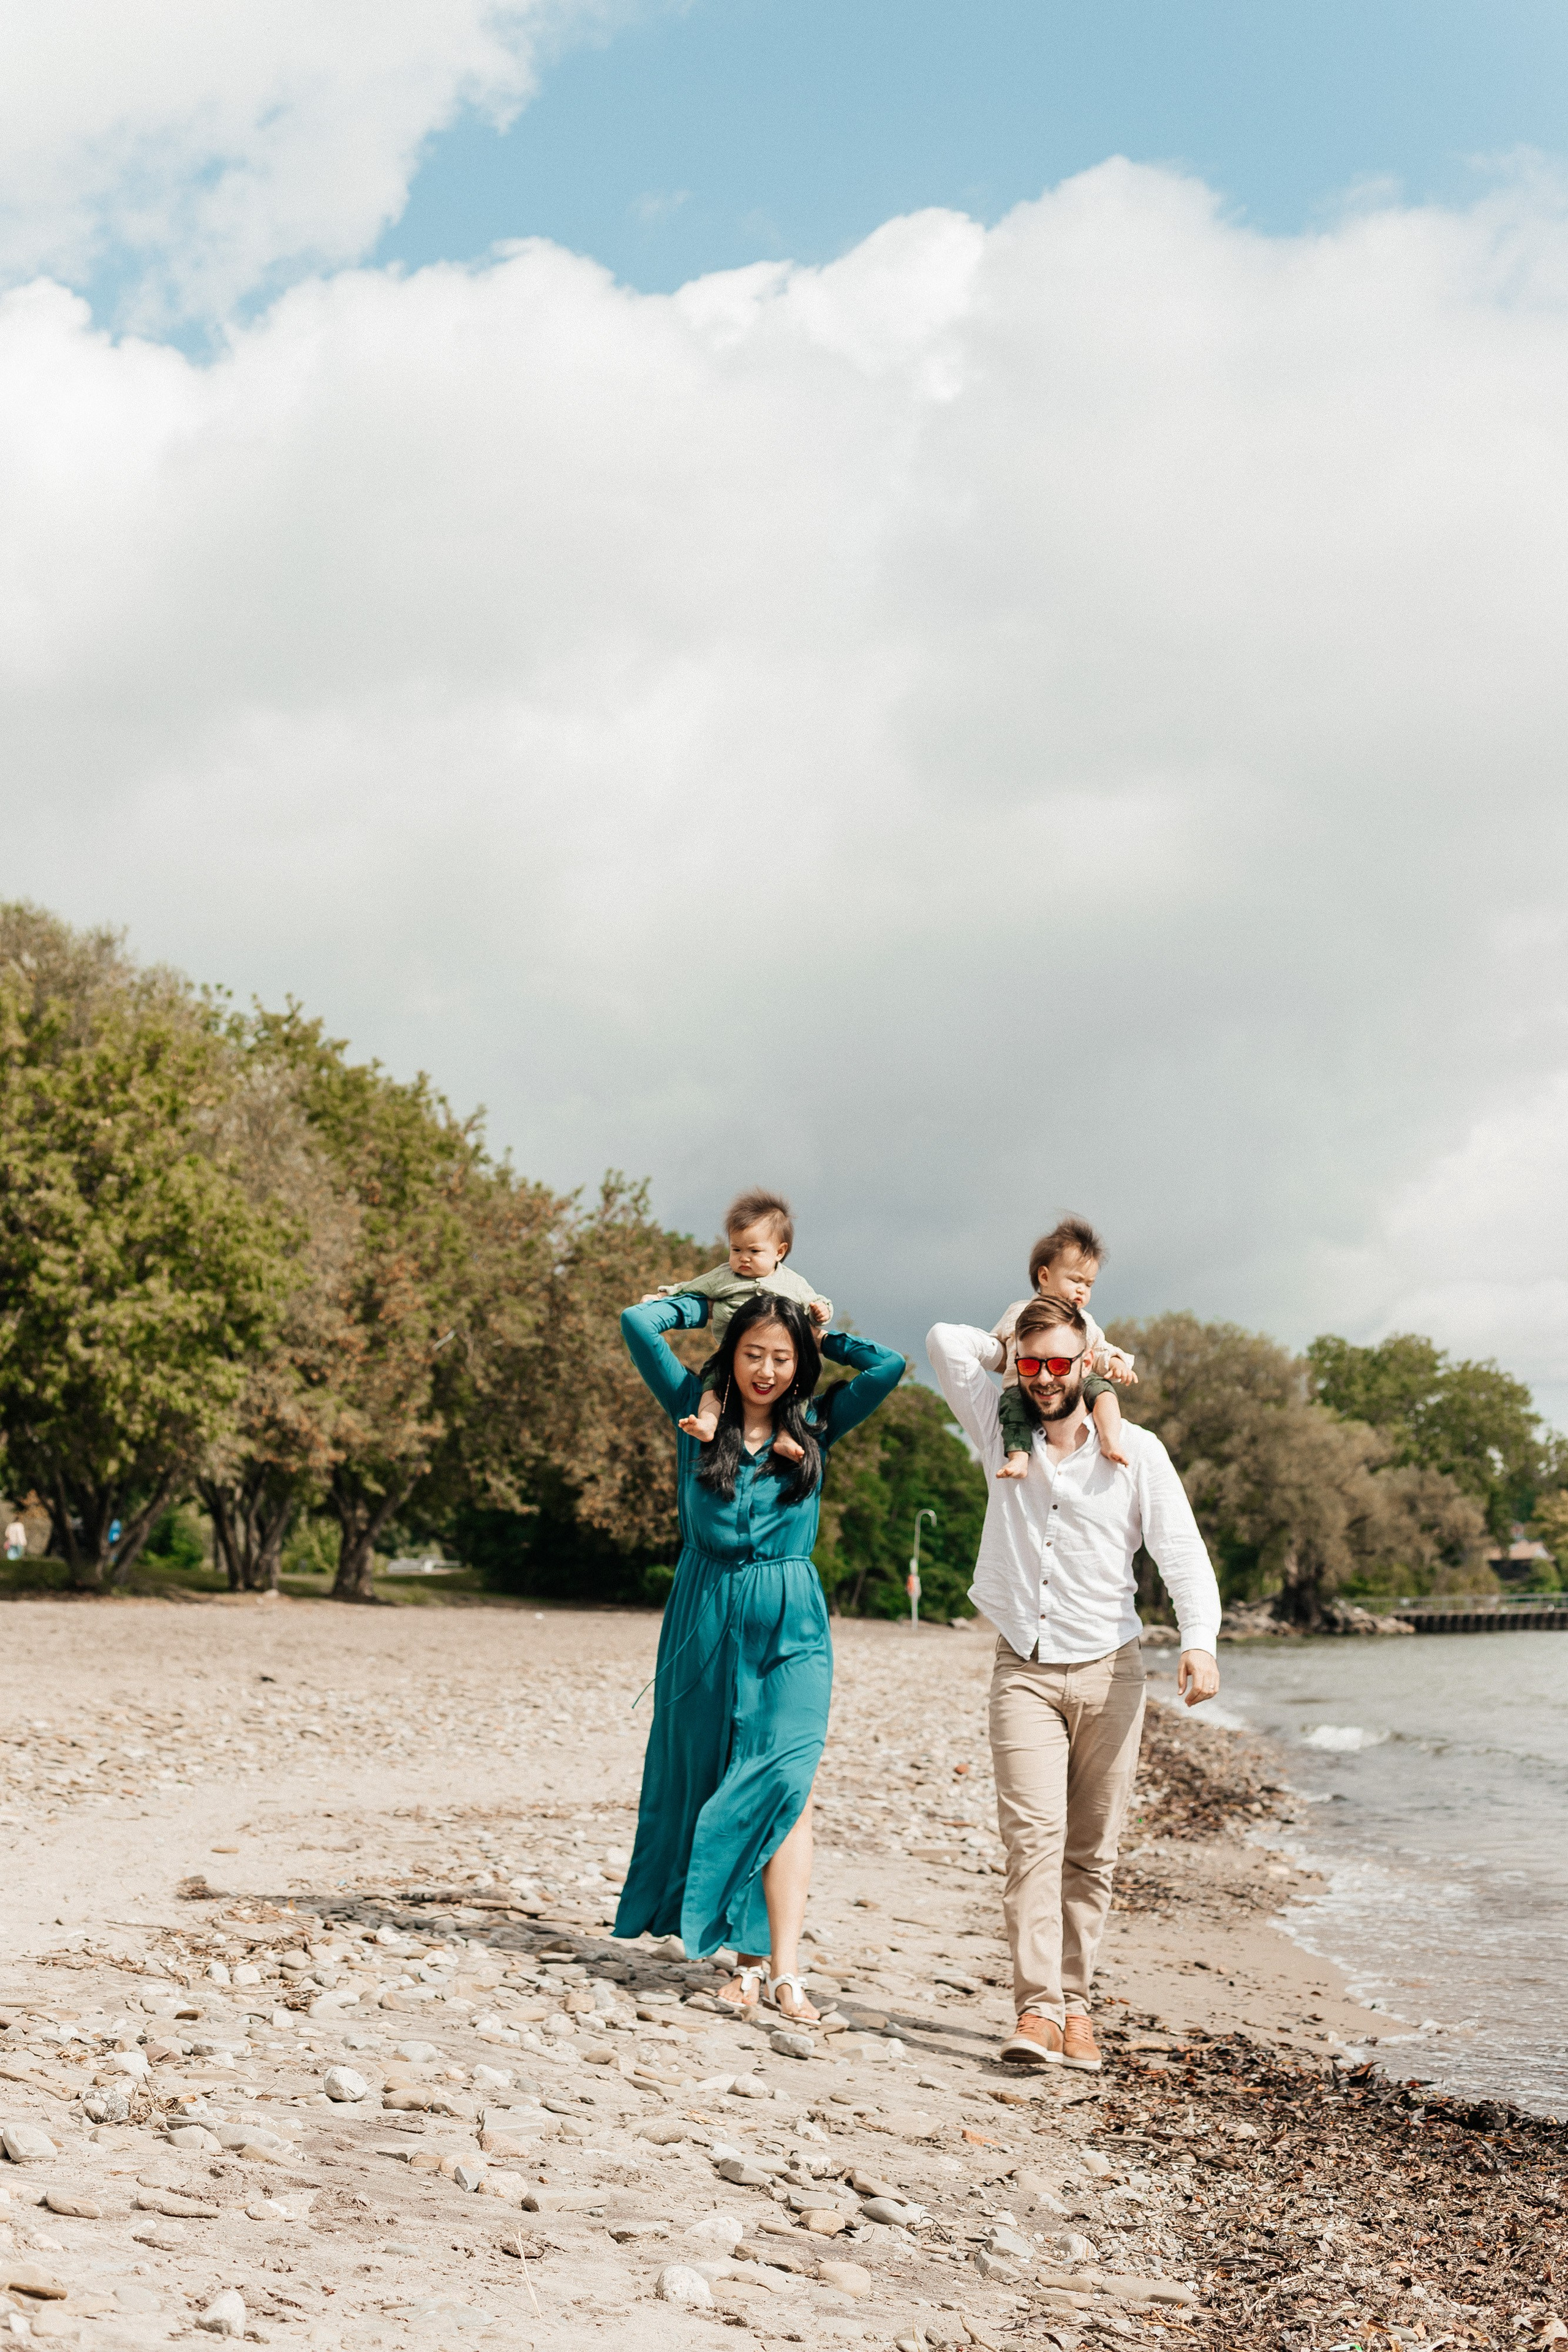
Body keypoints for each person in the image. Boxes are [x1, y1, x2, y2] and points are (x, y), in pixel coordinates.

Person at [927, 1293, 1221, 2071]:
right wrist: (1010, 1337)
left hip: (1110, 1671)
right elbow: (940, 1341)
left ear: (1087, 1363)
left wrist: (1200, 1643)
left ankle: (1077, 2005)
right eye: (1034, 1363)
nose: (1047, 1377)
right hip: (1022, 1668)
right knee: (1031, 1844)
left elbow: (1181, 1553)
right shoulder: (998, 1426)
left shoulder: (1138, 1451)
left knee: (1090, 1852)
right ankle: (1036, 2011)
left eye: (1062, 1362)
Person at [616, 1286, 904, 2021]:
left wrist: (822, 1333)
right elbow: (636, 1324)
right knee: (723, 1776)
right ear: (732, 1356)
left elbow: (890, 1365)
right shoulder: (694, 1411)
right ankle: (752, 1969)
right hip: (705, 1611)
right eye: (753, 1354)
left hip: (792, 1621)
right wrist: (699, 1301)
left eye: (781, 1358)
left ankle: (787, 1969)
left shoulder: (815, 1424)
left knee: (785, 1777)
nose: (766, 1370)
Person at [643, 1186, 832, 1463]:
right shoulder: (724, 1277)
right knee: (713, 1383)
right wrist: (664, 1296)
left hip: (783, 1360)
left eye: (754, 1251)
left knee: (799, 1391)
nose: (743, 1258)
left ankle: (787, 1435)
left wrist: (822, 1312)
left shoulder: (792, 1283)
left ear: (780, 1252)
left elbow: (815, 1303)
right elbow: (693, 1287)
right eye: (736, 1249)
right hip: (732, 1356)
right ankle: (708, 1421)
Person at [993, 1215, 1136, 1477]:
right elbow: (994, 1347)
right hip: (1022, 1388)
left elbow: (1099, 1350)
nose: (1082, 1290)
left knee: (1104, 1392)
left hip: (1077, 1380)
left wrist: (1115, 1362)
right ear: (1045, 1276)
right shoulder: (1019, 1313)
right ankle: (1019, 1457)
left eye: (1089, 1284)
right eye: (1075, 1281)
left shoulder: (1085, 1322)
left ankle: (1110, 1439)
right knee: (1013, 1411)